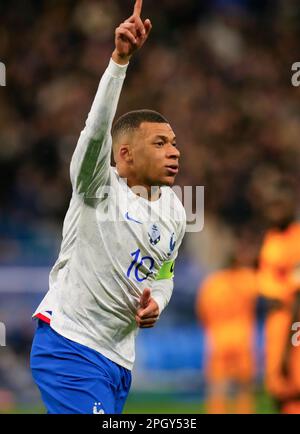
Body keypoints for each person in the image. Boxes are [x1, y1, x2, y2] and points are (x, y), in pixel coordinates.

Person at [30, 0, 186, 414]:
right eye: (160, 143)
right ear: (125, 155)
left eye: (173, 143)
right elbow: (94, 132)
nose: (174, 152)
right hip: (70, 346)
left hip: (118, 362)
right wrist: (119, 62)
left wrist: (159, 303)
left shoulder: (174, 212)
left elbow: (165, 276)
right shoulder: (96, 187)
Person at [196, 234, 259, 414]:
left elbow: (202, 312)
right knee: (244, 388)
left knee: (217, 387)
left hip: (218, 338)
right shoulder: (246, 278)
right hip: (242, 338)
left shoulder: (211, 284)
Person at [258, 182, 300, 414]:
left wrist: (288, 346)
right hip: (275, 321)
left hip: (292, 320)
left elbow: (298, 295)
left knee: (293, 384)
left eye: (279, 207)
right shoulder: (272, 237)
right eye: (270, 207)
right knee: (276, 387)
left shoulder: (297, 239)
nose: (273, 212)